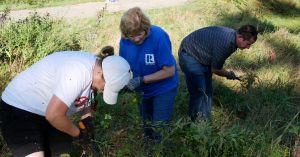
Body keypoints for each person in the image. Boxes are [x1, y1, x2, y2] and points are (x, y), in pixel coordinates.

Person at [0, 46, 131, 157]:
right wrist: (78, 134)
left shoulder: (96, 67)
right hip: (19, 109)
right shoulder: (78, 72)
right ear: (100, 73)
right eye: (105, 87)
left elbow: (85, 96)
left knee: (62, 151)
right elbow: (54, 115)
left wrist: (87, 118)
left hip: (48, 111)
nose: (102, 91)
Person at [119, 7, 178, 143]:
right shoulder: (125, 40)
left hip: (163, 88)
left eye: (139, 34)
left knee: (160, 125)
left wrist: (142, 79)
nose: (136, 39)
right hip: (142, 90)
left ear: (146, 28)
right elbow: (123, 65)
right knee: (146, 122)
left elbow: (170, 71)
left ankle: (161, 149)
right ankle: (149, 147)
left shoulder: (158, 37)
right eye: (131, 36)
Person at [178, 25, 258, 121]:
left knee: (208, 91)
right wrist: (229, 74)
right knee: (199, 91)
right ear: (240, 37)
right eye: (248, 44)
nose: (248, 48)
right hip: (189, 54)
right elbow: (215, 69)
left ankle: (204, 120)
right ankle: (195, 121)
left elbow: (215, 65)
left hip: (203, 54)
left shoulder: (233, 37)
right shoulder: (226, 43)